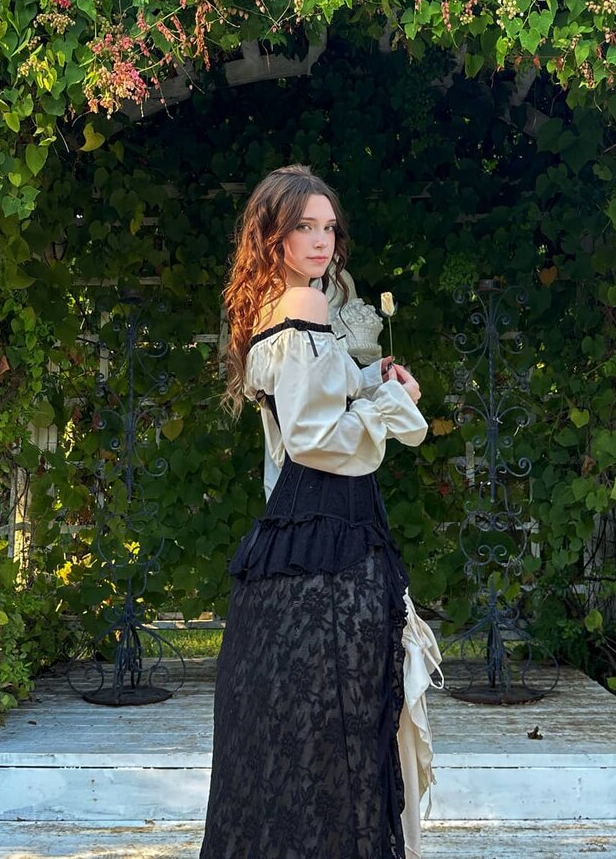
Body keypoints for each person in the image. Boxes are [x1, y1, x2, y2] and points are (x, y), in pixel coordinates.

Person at [199, 164, 429, 859]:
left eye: (328, 227)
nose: (322, 240)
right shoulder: (304, 304)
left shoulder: (276, 305)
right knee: (343, 732)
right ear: (273, 235)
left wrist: (369, 379)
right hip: (330, 552)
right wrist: (390, 406)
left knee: (296, 738)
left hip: (301, 546)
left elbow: (313, 394)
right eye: (304, 226)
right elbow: (314, 439)